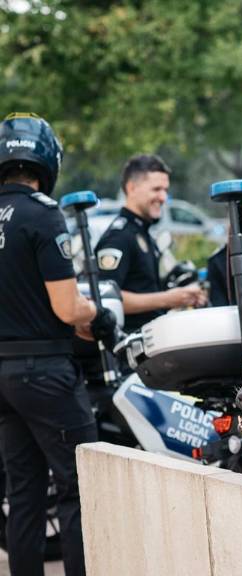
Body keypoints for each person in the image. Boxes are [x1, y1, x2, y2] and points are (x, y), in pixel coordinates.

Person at [0, 113, 116, 576]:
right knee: (78, 489)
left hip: (2, 376)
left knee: (24, 493)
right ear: (46, 158)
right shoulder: (43, 213)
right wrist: (98, 315)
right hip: (44, 371)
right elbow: (68, 308)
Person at [95, 154, 206, 333]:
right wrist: (168, 299)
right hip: (130, 348)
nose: (163, 197)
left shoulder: (143, 233)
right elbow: (106, 299)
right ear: (131, 188)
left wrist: (183, 295)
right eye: (156, 189)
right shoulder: (119, 237)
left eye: (165, 190)